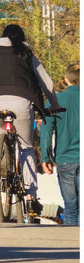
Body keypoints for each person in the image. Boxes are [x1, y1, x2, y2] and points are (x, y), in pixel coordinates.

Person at [0, 24, 62, 218]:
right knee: (25, 147)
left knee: (0, 126)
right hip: (21, 101)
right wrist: (54, 103)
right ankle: (31, 198)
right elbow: (47, 83)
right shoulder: (26, 53)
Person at [41, 62, 79, 226]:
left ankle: (72, 247)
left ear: (66, 79)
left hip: (65, 160)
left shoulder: (56, 100)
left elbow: (46, 131)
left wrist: (45, 157)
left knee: (70, 207)